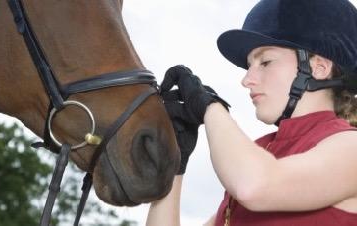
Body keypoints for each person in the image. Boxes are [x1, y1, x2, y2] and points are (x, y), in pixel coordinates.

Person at [146, 0, 357, 225]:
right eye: (249, 67)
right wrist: (174, 162)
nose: (247, 80)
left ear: (319, 68)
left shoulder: (351, 147)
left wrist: (210, 106)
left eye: (265, 62)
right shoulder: (258, 154)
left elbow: (254, 186)